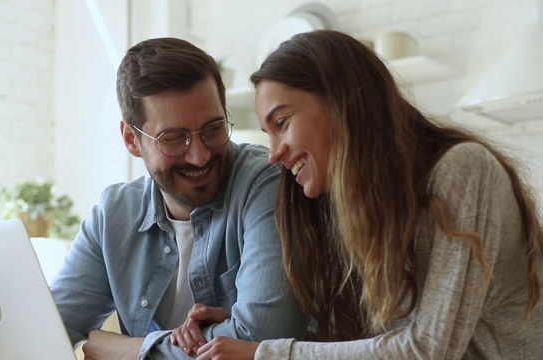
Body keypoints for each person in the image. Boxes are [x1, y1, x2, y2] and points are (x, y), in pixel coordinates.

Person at [177, 30, 543, 359]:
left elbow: (429, 349)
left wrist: (264, 354)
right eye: (268, 134)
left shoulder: (463, 171)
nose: (273, 153)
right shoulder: (357, 211)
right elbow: (363, 343)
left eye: (282, 123)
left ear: (342, 102)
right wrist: (241, 327)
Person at [49, 37, 309, 359]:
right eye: (174, 139)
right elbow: (51, 331)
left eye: (213, 129)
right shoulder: (114, 214)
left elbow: (260, 338)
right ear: (132, 139)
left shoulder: (267, 184)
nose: (199, 156)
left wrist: (129, 351)